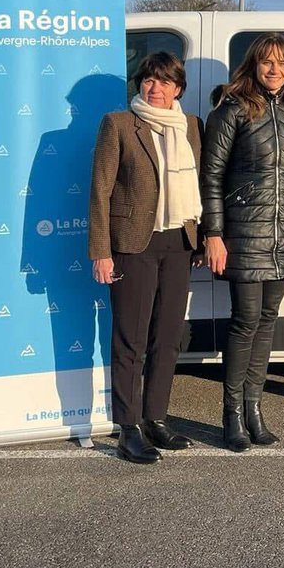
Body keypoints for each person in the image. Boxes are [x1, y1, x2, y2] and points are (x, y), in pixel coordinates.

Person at [201, 32, 284, 452]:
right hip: (244, 233)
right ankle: (231, 416)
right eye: (268, 62)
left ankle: (255, 410)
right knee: (244, 321)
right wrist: (213, 234)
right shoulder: (231, 111)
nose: (275, 70)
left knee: (268, 321)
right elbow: (211, 177)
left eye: (282, 64)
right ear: (254, 65)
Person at [88, 52, 203, 464]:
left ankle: (156, 418)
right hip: (133, 245)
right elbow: (100, 191)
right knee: (130, 340)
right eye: (149, 81)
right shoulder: (118, 124)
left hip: (179, 242)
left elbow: (200, 183)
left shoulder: (191, 126)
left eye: (164, 82)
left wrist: (202, 239)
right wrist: (101, 251)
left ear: (178, 89)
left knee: (168, 338)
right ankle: (128, 428)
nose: (155, 89)